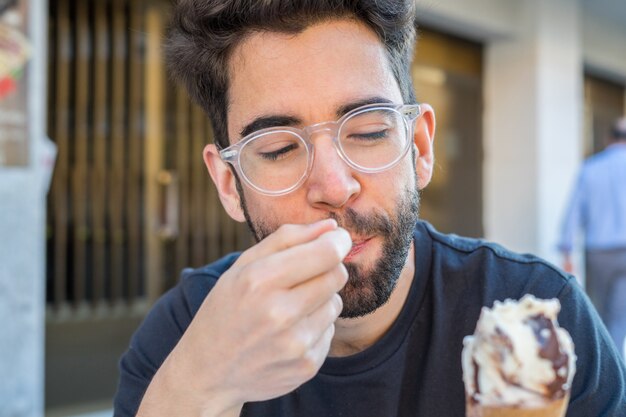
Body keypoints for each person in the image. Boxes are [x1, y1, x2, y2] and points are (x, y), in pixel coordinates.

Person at [113, 1, 626, 416]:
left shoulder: (536, 313)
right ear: (228, 183)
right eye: (278, 148)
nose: (334, 187)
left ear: (420, 148)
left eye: (368, 132)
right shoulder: (185, 336)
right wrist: (200, 387)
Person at [558, 116, 626, 356]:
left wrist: (566, 250)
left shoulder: (591, 168)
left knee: (596, 314)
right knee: (619, 318)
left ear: (609, 139)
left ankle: (602, 369)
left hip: (598, 253)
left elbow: (573, 212)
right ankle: (616, 376)